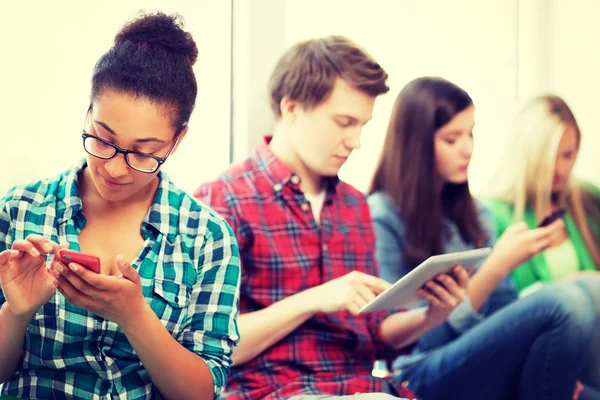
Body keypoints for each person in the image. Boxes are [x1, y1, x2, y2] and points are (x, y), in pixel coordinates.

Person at [195, 37, 470, 400]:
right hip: (275, 391)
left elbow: (374, 335)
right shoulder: (224, 200)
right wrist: (314, 299)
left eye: (362, 125)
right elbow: (210, 351)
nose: (355, 141)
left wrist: (431, 316)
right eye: (344, 122)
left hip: (363, 388)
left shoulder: (354, 206)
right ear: (292, 108)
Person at [0, 12, 240, 400]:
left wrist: (135, 317)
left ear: (176, 142)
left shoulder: (207, 237)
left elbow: (201, 393)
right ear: (88, 113)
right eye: (102, 138)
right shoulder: (19, 209)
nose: (113, 168)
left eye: (143, 153)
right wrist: (17, 312)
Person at [367, 76, 596, 400]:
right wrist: (496, 267)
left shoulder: (475, 215)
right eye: (452, 139)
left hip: (484, 360)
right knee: (567, 301)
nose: (468, 149)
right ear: (416, 144)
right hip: (420, 368)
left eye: (470, 134)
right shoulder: (383, 217)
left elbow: (503, 317)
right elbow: (410, 341)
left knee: (589, 291)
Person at [484, 94, 600, 399]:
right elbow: (501, 313)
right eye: (550, 157)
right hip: (544, 349)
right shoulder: (491, 213)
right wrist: (574, 282)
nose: (561, 168)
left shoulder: (586, 200)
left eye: (568, 155)